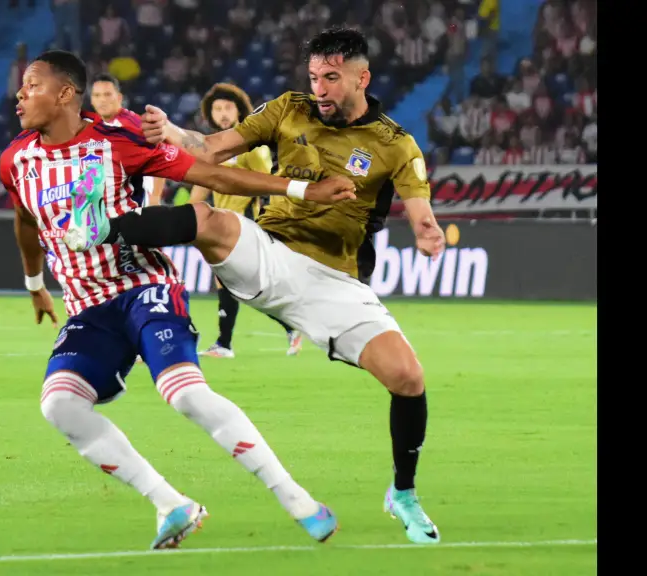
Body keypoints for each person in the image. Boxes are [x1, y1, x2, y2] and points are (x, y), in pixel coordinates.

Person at [63, 28, 445, 545]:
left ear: (362, 77)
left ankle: (402, 492)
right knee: (209, 218)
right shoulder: (289, 108)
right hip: (268, 252)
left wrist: (427, 230)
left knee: (408, 377)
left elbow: (420, 211)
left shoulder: (395, 144)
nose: (321, 88)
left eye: (331, 78)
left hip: (334, 283)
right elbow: (211, 149)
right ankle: (104, 227)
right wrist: (172, 131)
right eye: (314, 77)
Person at [0, 50, 355, 550]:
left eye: (31, 85)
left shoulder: (116, 144)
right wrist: (35, 284)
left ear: (64, 94)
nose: (19, 95)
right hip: (87, 308)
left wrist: (302, 190)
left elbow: (211, 176)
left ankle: (297, 499)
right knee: (59, 405)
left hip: (144, 288)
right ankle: (172, 504)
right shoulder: (16, 158)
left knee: (185, 393)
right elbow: (25, 220)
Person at [189, 82, 303, 358]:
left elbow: (268, 184)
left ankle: (227, 344)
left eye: (228, 107)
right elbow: (200, 187)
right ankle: (287, 325)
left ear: (240, 111)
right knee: (233, 284)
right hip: (218, 225)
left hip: (245, 224)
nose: (223, 113)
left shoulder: (251, 147)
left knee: (234, 284)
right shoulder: (212, 148)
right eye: (217, 109)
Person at [89, 73, 165, 207]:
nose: (102, 100)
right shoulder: (89, 130)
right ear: (91, 100)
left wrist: (155, 198)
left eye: (107, 94)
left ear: (119, 97)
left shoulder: (136, 126)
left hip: (135, 208)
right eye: (97, 95)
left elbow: (161, 159)